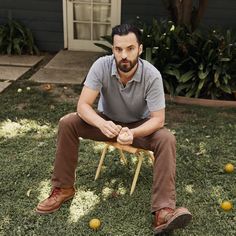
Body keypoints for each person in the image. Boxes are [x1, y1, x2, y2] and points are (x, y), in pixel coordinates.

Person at [36, 23, 192, 235]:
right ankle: (64, 188)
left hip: (138, 126)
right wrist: (101, 123)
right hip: (106, 122)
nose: (124, 55)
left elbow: (158, 120)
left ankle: (163, 211)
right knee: (67, 122)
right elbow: (82, 105)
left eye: (129, 48)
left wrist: (133, 133)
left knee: (166, 138)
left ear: (140, 49)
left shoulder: (152, 75)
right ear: (113, 50)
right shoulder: (101, 66)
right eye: (118, 49)